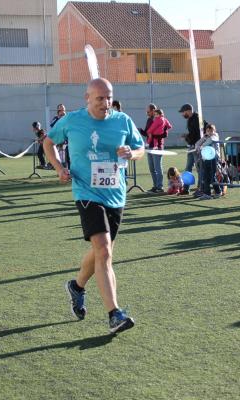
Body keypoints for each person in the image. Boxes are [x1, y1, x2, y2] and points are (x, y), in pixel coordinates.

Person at [42, 78, 144, 334]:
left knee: (103, 252)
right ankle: (114, 314)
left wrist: (132, 154)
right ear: (87, 98)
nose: (105, 103)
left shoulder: (122, 120)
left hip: (116, 194)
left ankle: (76, 286)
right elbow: (48, 143)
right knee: (104, 250)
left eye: (109, 97)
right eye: (100, 98)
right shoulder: (72, 120)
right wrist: (58, 168)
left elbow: (141, 147)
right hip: (86, 192)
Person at [179, 103, 205, 194]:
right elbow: (193, 134)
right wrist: (187, 136)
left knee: (199, 169)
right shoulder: (191, 119)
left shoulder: (197, 118)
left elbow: (200, 132)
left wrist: (187, 137)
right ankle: (186, 188)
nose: (182, 114)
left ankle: (200, 188)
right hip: (191, 147)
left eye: (183, 112)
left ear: (188, 111)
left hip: (197, 148)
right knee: (188, 168)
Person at [145, 109, 172, 193]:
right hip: (151, 146)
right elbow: (169, 126)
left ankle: (159, 187)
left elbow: (151, 130)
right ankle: (156, 186)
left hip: (157, 146)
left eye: (156, 114)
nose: (155, 115)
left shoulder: (158, 120)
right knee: (153, 168)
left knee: (157, 167)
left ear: (160, 114)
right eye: (155, 114)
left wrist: (150, 132)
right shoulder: (161, 119)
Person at [199, 124, 222, 200]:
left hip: (213, 159)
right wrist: (197, 146)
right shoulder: (206, 137)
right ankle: (207, 194)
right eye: (208, 131)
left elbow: (210, 141)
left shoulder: (215, 136)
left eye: (211, 130)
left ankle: (218, 192)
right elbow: (198, 143)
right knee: (206, 177)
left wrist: (202, 146)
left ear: (214, 131)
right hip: (206, 159)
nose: (209, 132)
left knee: (212, 177)